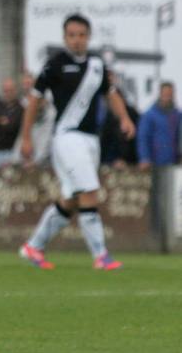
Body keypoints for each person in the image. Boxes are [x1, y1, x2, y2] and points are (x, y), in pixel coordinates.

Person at [18, 14, 135, 271]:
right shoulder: (55, 65)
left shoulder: (96, 65)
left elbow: (111, 93)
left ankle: (33, 247)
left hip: (91, 140)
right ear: (64, 37)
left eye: (82, 35)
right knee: (89, 191)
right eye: (72, 35)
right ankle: (101, 256)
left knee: (71, 198)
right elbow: (34, 100)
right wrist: (26, 137)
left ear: (88, 36)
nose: (77, 40)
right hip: (67, 137)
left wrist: (125, 118)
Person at [135, 81, 179, 169]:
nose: (167, 97)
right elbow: (143, 138)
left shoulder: (177, 115)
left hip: (174, 162)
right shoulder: (149, 115)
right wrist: (144, 158)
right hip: (154, 162)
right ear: (160, 94)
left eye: (170, 94)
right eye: (165, 94)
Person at [0, 77, 24, 167]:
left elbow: (13, 126)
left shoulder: (20, 108)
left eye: (10, 90)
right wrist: (2, 121)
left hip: (12, 151)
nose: (8, 93)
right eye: (6, 91)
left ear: (15, 91)